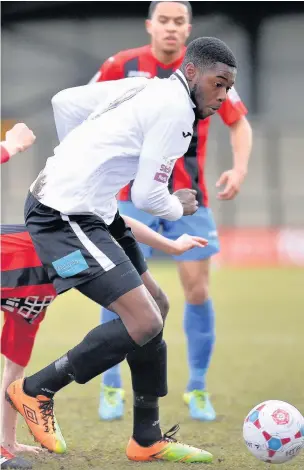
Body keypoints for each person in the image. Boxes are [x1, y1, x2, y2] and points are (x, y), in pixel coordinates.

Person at [6, 36, 237, 463]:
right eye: (218, 83)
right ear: (192, 73)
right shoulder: (177, 112)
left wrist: (78, 159)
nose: (222, 96)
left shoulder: (150, 85)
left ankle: (146, 438)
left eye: (227, 88)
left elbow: (65, 102)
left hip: (92, 210)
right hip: (63, 218)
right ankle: (35, 390)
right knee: (144, 318)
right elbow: (151, 197)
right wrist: (179, 204)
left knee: (158, 306)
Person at [92, 0, 252, 422]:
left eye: (179, 21)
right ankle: (110, 386)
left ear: (188, 28)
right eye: (163, 20)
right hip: (129, 196)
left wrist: (239, 167)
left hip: (190, 196)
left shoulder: (207, 69)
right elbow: (88, 111)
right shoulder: (121, 66)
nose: (170, 28)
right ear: (150, 25)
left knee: (197, 290)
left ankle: (197, 388)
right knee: (118, 290)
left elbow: (239, 122)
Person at [1, 224, 207, 469]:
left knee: (16, 364)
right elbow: (116, 219)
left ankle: (6, 443)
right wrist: (170, 243)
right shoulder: (65, 239)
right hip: (23, 260)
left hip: (39, 279)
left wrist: (9, 444)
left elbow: (15, 365)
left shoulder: (66, 267)